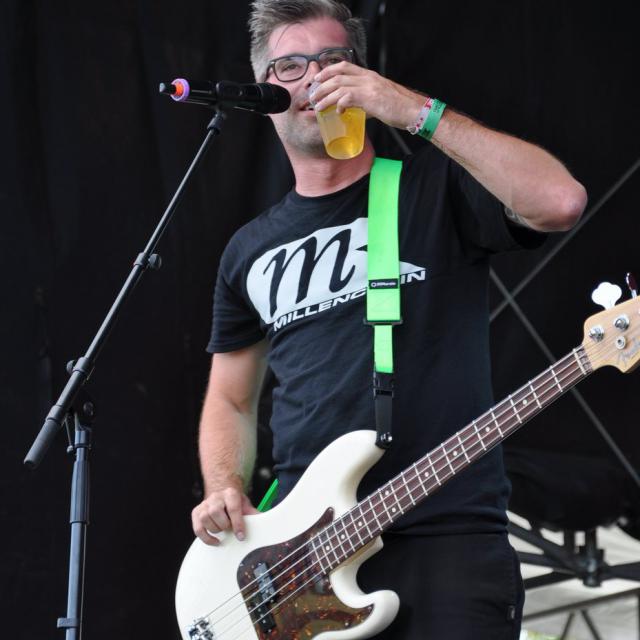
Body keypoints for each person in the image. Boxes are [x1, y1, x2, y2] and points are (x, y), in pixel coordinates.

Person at [190, 1, 587, 638]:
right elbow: (231, 399)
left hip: (445, 537)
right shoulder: (248, 250)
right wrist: (223, 487)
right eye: (290, 67)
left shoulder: (435, 188)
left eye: (332, 60)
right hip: (300, 562)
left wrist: (412, 110)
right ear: (264, 91)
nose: (314, 77)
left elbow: (560, 202)